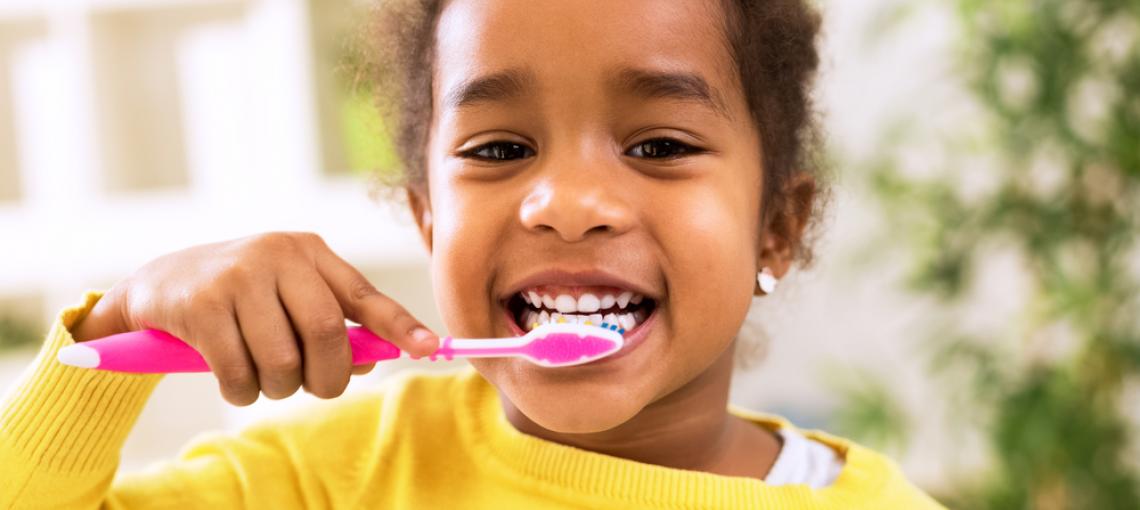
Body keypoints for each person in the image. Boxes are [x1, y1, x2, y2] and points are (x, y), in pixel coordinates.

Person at [1, 0, 946, 507]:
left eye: (659, 146)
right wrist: (115, 334)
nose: (567, 206)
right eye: (498, 150)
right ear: (426, 221)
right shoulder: (336, 478)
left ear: (774, 227)